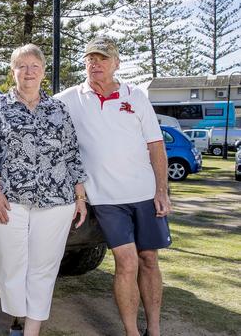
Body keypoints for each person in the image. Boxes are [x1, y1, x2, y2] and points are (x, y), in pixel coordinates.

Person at [54, 37, 171, 336]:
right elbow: (32, 108)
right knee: (127, 261)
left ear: (116, 63)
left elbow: (156, 146)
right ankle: (132, 332)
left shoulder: (138, 97)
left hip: (145, 195)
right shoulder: (70, 97)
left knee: (149, 259)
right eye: (90, 58)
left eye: (103, 59)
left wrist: (161, 191)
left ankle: (154, 329)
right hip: (106, 199)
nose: (95, 64)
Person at [0, 44, 88, 336]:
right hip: (8, 200)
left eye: (34, 66)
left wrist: (80, 197)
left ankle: (31, 331)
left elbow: (72, 155)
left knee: (43, 269)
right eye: (21, 66)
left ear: (42, 72)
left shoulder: (58, 109)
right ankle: (17, 317)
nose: (28, 72)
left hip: (56, 201)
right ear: (13, 72)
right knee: (13, 266)